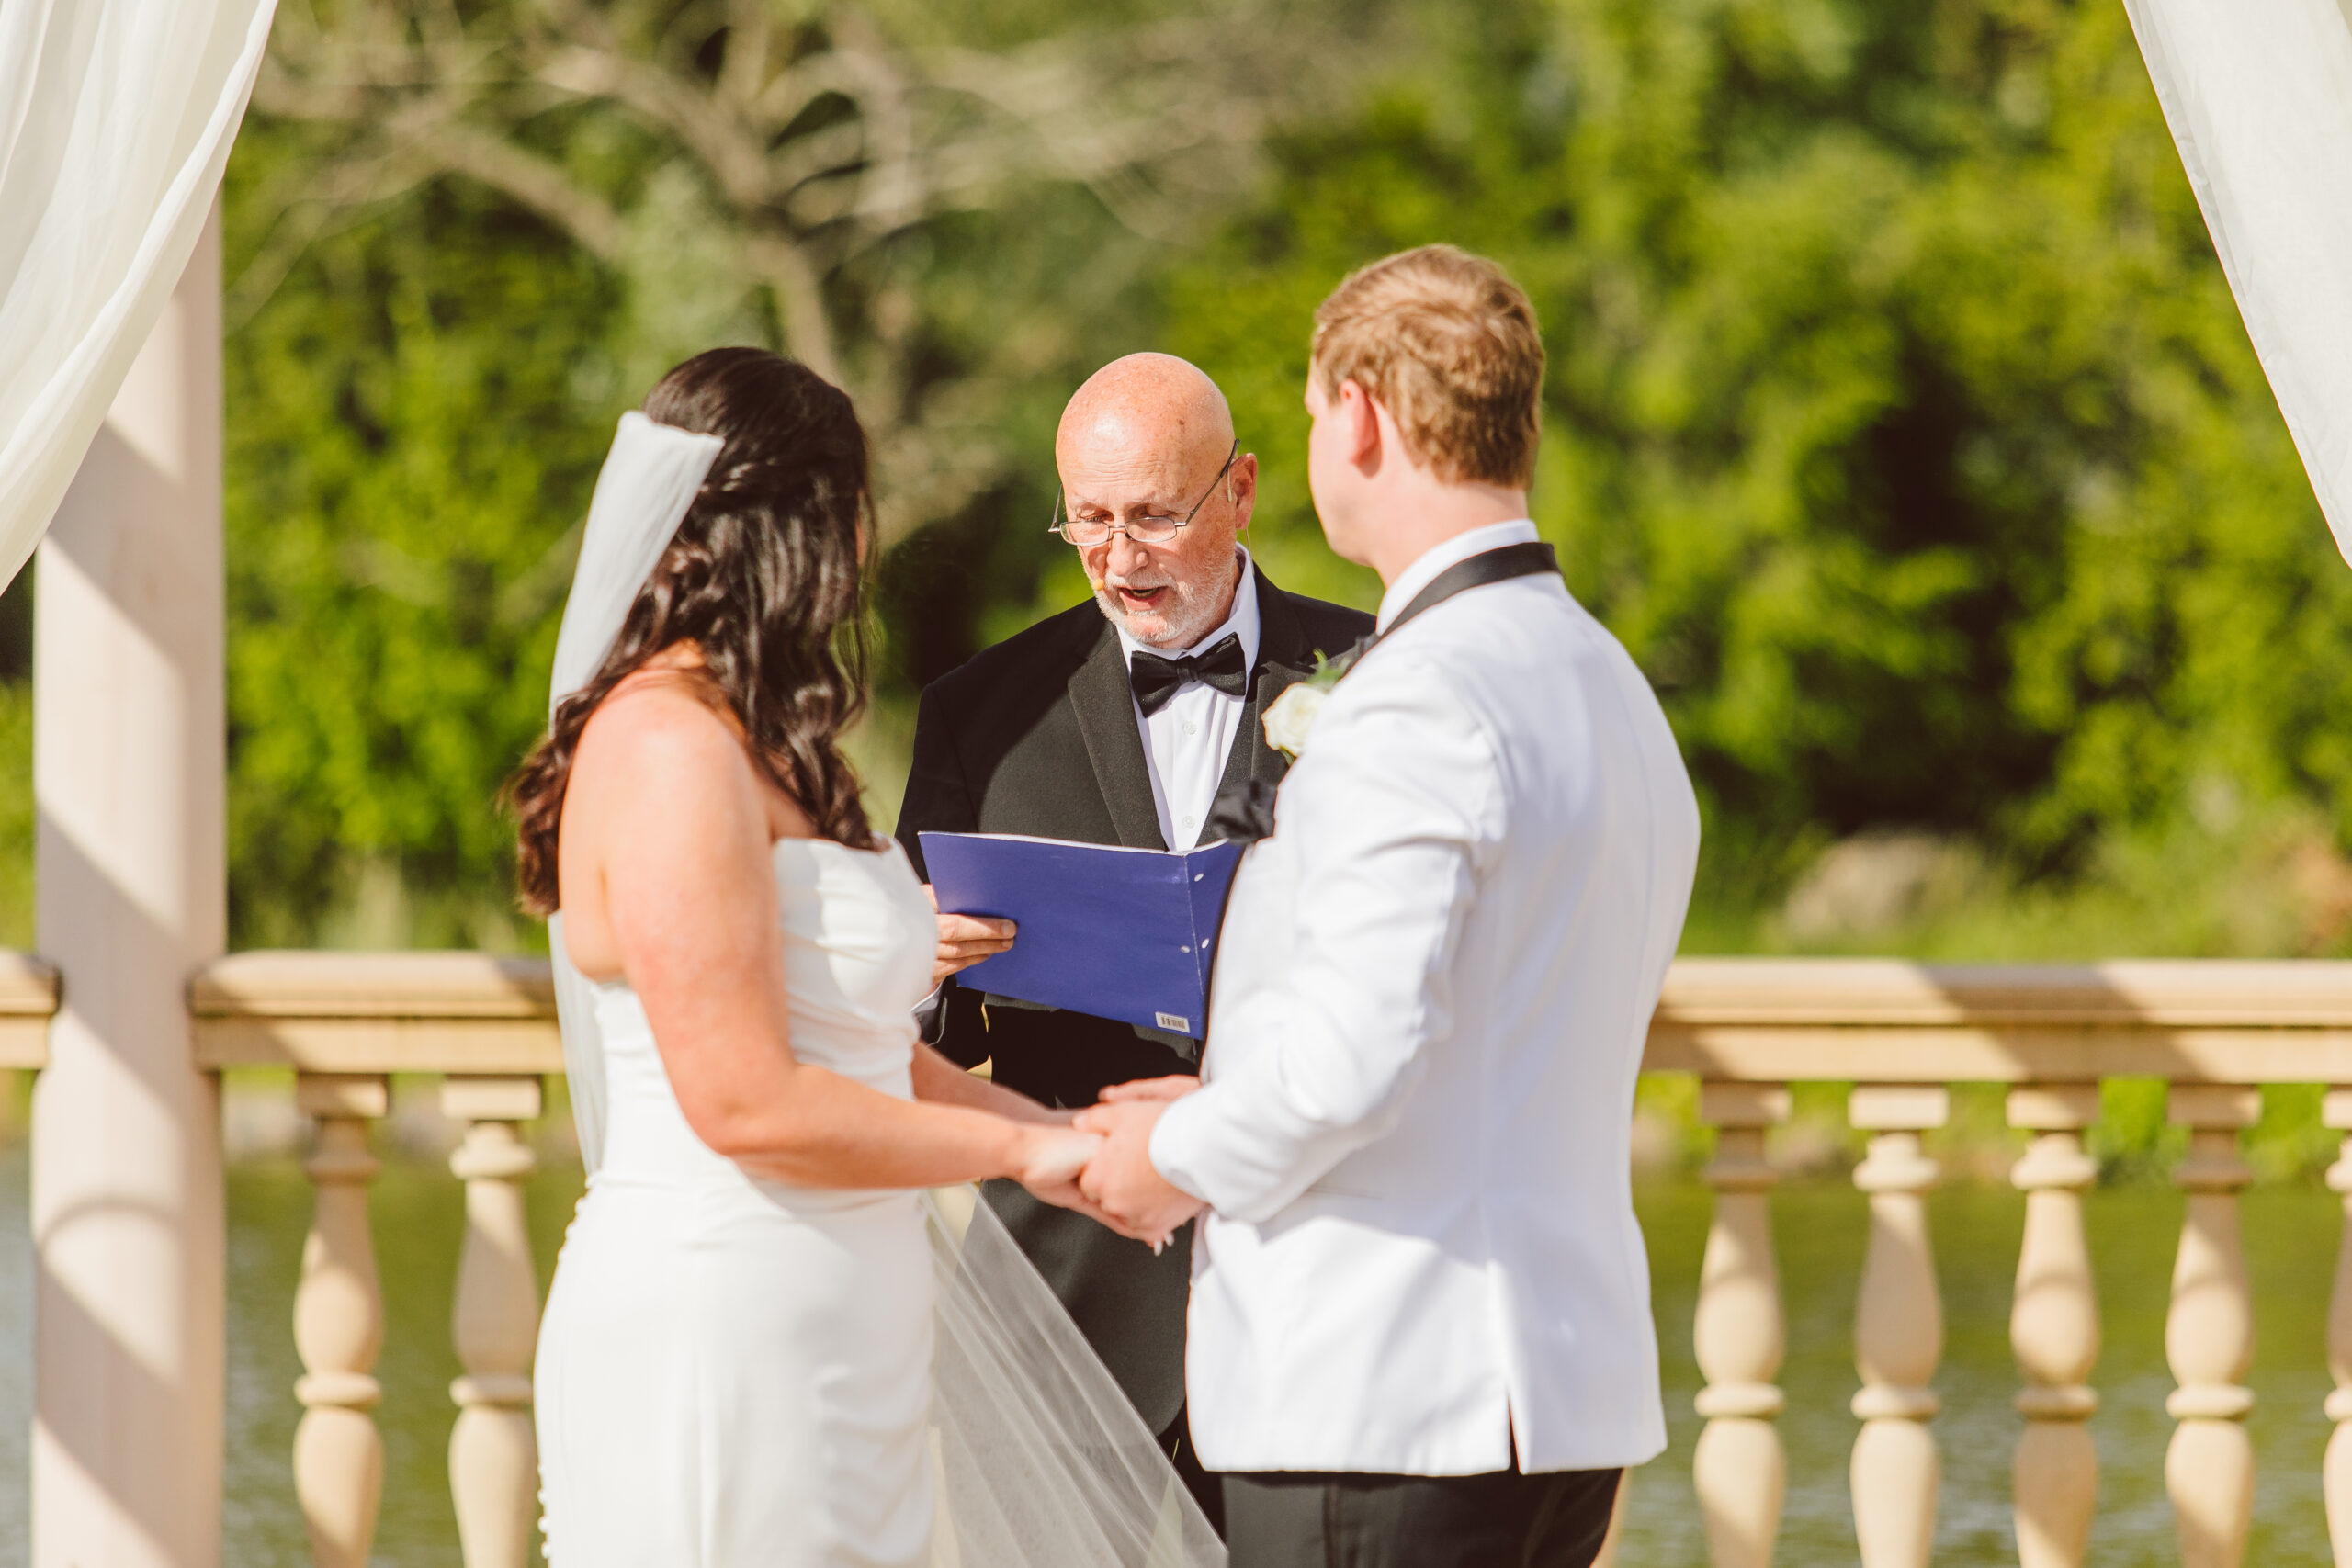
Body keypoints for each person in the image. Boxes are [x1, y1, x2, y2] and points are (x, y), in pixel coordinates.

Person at [514, 348, 1220, 1568]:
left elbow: (868, 1056)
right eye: (851, 511)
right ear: (796, 524)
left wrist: (1057, 1145)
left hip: (844, 1329)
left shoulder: (761, 743)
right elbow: (743, 1098)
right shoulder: (668, 748)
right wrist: (1029, 1144)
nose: (861, 549)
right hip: (724, 1317)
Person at [1075, 246, 1702, 1567]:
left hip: (1380, 1393)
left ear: (1357, 414)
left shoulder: (1417, 696)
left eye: (1308, 415)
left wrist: (1170, 1148)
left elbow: (1354, 1055)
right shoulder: (1610, 684)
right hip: (1561, 1402)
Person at [896, 351, 1374, 1524]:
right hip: (1061, 1302)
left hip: (1321, 1284)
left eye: (1155, 516)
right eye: (1088, 522)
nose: (1117, 558)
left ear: (1242, 490)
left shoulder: (1378, 674)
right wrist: (912, 965)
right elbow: (932, 1045)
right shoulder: (981, 711)